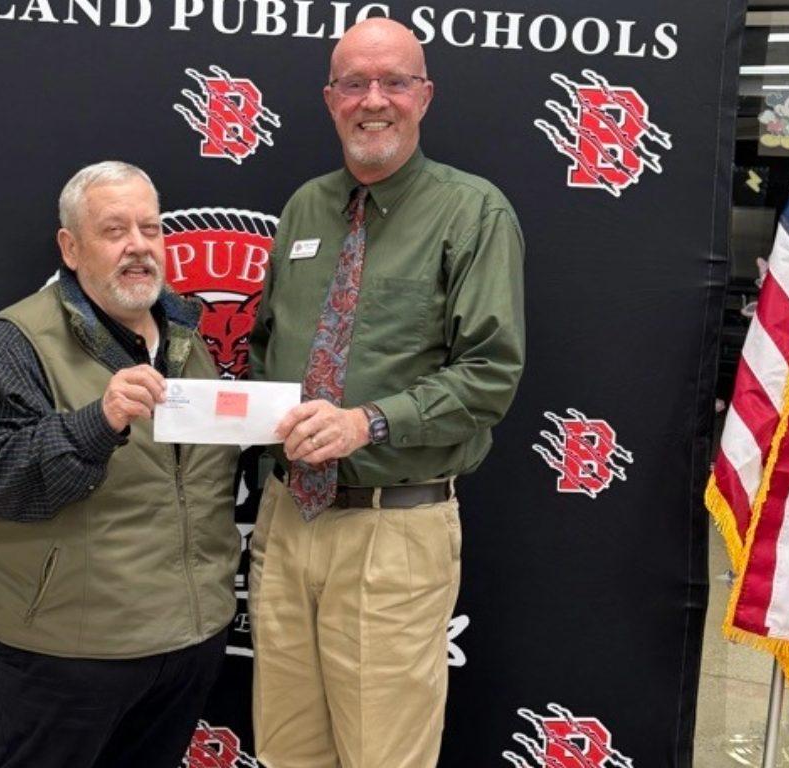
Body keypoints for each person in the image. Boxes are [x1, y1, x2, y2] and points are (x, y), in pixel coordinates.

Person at [247, 18, 526, 768]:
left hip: (391, 532)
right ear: (330, 98)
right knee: (285, 749)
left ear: (424, 96)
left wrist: (366, 423)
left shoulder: (473, 213)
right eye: (354, 84)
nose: (375, 100)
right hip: (288, 519)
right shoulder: (305, 209)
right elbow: (269, 347)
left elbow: (490, 373)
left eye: (394, 82)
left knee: (382, 757)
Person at [0, 161, 240, 768]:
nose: (138, 246)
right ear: (70, 248)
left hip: (184, 640)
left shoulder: (187, 335)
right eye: (114, 231)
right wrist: (95, 423)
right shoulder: (19, 338)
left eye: (150, 229)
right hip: (64, 654)